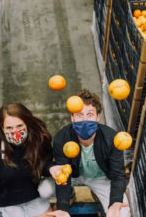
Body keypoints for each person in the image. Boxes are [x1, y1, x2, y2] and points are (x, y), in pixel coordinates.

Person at [48, 89, 130, 217]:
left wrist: (115, 202)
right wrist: (63, 207)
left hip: (100, 178)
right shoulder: (62, 139)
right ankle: (71, 195)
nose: (85, 120)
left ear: (98, 117)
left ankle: (98, 194)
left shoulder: (112, 139)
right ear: (72, 117)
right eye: (79, 115)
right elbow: (63, 176)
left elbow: (117, 175)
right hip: (73, 176)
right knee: (44, 190)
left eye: (90, 115)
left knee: (122, 212)